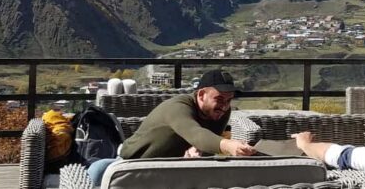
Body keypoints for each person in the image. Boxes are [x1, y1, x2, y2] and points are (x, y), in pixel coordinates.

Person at [87, 70, 255, 185]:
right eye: (219, 99)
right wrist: (229, 145)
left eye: (228, 100)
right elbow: (196, 133)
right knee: (95, 171)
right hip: (132, 163)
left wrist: (197, 154)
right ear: (201, 95)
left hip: (169, 169)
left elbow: (204, 144)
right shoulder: (178, 106)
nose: (225, 106)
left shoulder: (221, 112)